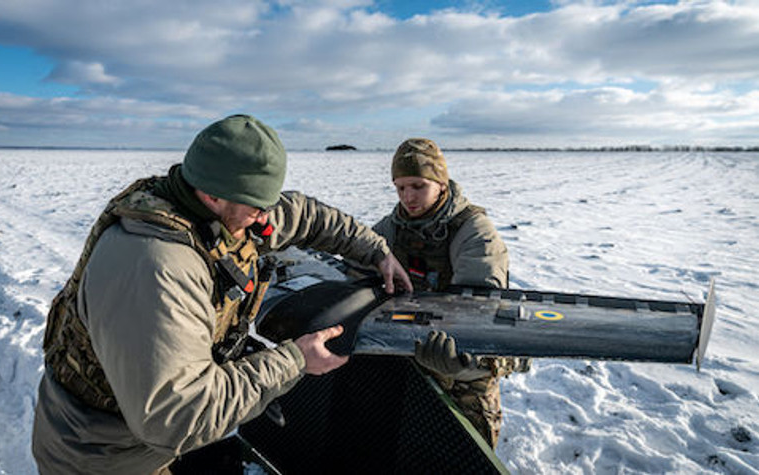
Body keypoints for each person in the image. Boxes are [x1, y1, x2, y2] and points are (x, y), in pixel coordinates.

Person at [32, 114, 412, 474]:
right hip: (103, 454)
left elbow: (306, 215)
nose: (266, 219)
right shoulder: (157, 268)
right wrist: (294, 361)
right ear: (213, 196)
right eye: (256, 208)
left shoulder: (223, 209)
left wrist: (377, 252)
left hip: (146, 437)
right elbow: (177, 417)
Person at [372, 138, 530, 448]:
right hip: (406, 350)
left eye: (418, 186)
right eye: (400, 188)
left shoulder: (473, 233)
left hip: (462, 366)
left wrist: (459, 362)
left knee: (464, 451)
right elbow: (355, 271)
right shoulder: (392, 227)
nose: (408, 197)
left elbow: (480, 319)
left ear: (441, 184)